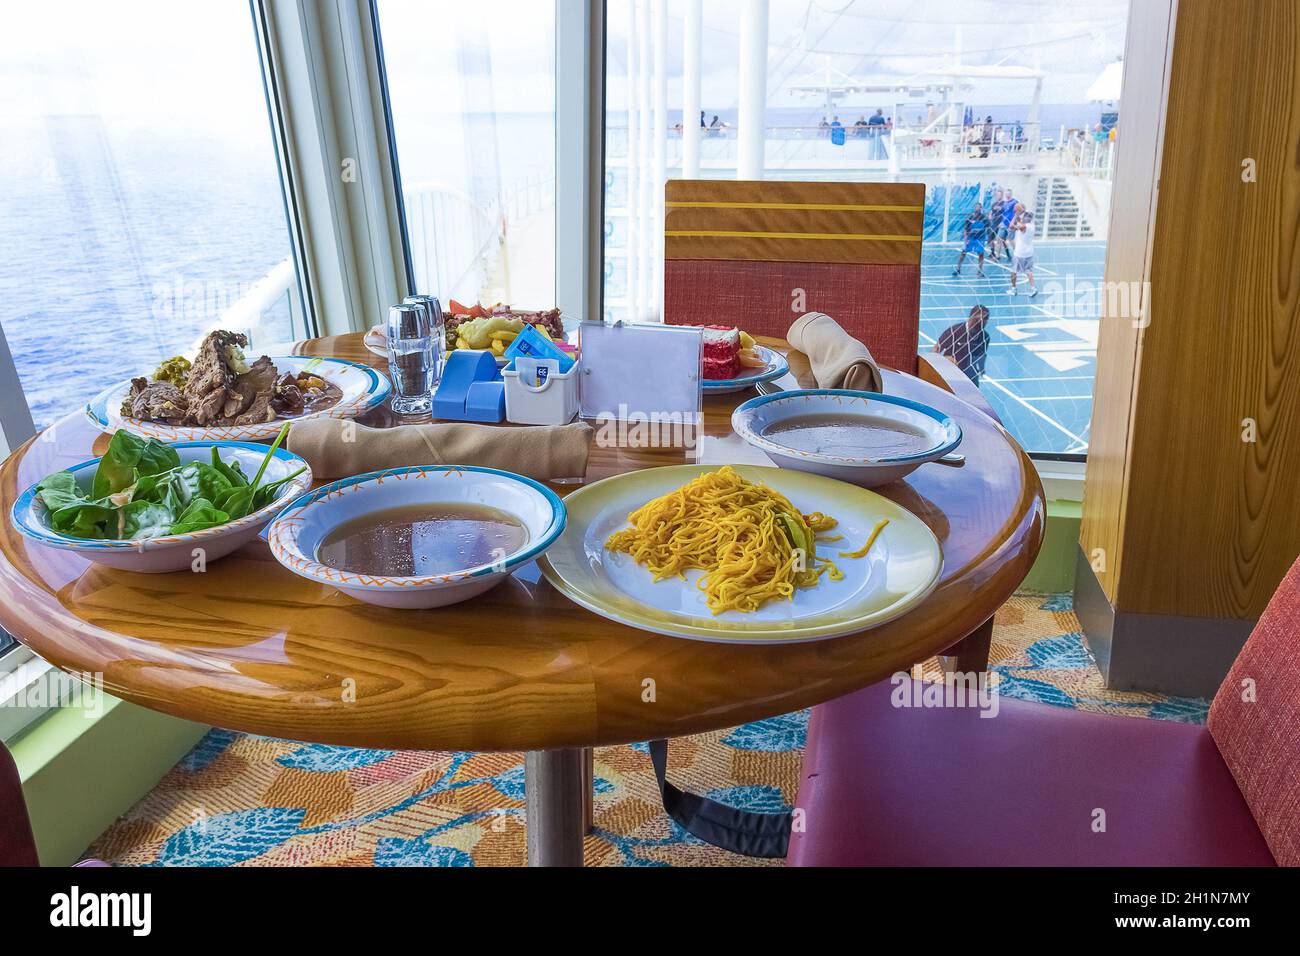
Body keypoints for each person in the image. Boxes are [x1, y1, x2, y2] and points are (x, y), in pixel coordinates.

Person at [934, 304, 992, 384]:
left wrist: (982, 369)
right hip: (951, 372)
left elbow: (982, 355)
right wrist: (945, 360)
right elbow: (935, 351)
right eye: (978, 319)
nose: (981, 321)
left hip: (970, 375)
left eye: (985, 319)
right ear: (971, 317)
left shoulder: (985, 337)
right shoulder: (954, 331)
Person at [952, 202, 988, 278]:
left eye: (979, 207)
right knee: (963, 253)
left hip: (980, 238)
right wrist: (966, 239)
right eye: (976, 207)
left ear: (981, 208)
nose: (977, 208)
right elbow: (965, 229)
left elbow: (988, 227)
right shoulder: (970, 217)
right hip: (970, 238)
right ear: (974, 208)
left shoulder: (984, 218)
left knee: (981, 254)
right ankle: (958, 269)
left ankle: (980, 271)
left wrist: (985, 237)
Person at [1008, 210, 1038, 297]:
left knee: (1013, 271)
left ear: (1026, 218)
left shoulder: (1024, 226)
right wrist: (1019, 215)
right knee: (1029, 271)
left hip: (1020, 253)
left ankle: (1013, 289)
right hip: (1029, 252)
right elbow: (1019, 223)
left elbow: (1011, 226)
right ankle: (1033, 288)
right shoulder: (1032, 226)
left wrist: (1016, 215)